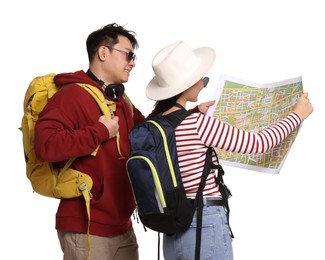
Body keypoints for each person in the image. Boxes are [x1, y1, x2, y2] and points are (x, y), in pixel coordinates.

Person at [145, 41, 314, 260]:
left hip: (173, 229)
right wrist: (297, 115)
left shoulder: (153, 126)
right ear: (186, 84)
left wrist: (195, 111)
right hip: (204, 224)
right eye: (201, 78)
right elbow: (258, 144)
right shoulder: (197, 124)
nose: (203, 83)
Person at [34, 23, 146, 260]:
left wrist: (182, 109)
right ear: (103, 53)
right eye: (128, 54)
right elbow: (45, 145)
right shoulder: (72, 95)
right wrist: (98, 132)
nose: (133, 62)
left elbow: (148, 131)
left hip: (122, 226)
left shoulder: (121, 99)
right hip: (86, 227)